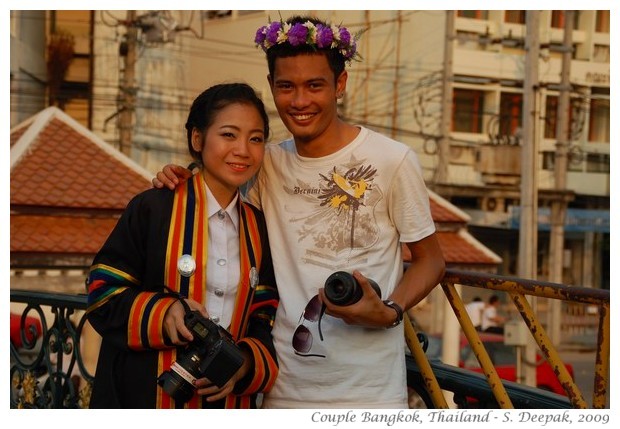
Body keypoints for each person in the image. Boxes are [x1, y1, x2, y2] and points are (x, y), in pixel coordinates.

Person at [153, 15, 445, 408]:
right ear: (272, 86)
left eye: (315, 85)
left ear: (340, 85)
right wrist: (180, 175)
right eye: (286, 86)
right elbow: (218, 192)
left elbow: (431, 261)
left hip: (370, 392)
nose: (300, 101)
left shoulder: (392, 160)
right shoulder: (264, 163)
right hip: (280, 389)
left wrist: (389, 311)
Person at [86, 83, 279, 409]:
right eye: (229, 135)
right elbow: (102, 293)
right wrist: (166, 312)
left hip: (225, 403)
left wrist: (244, 363)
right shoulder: (154, 208)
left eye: (256, 138)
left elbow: (265, 314)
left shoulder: (258, 225)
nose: (243, 150)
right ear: (197, 139)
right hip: (143, 396)